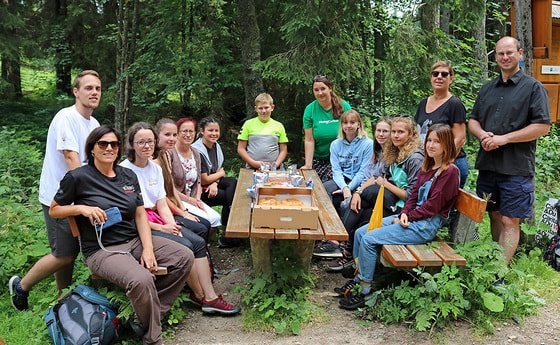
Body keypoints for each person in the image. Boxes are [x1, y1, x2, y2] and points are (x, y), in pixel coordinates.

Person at [49, 126, 194, 345]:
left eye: (114, 144)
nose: (109, 148)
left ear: (119, 148)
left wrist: (147, 249)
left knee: (184, 256)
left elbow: (139, 215)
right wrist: (81, 209)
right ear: (92, 148)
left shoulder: (128, 175)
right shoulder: (78, 177)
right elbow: (54, 209)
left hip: (134, 240)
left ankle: (146, 316)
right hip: (101, 250)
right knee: (142, 279)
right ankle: (153, 338)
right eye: (103, 144)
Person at [120, 122, 240, 315]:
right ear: (131, 144)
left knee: (198, 241)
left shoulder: (154, 168)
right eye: (141, 142)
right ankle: (202, 295)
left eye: (150, 141)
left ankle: (208, 297)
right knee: (187, 244)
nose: (146, 146)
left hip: (158, 217)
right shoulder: (124, 171)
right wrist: (163, 228)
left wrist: (170, 224)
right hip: (139, 225)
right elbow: (131, 215)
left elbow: (161, 203)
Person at [336, 123, 460, 310]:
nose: (431, 145)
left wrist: (408, 217)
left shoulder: (449, 172)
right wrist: (403, 213)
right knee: (362, 233)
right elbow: (414, 196)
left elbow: (432, 206)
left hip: (425, 225)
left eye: (437, 142)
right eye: (429, 141)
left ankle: (365, 291)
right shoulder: (428, 166)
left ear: (447, 145)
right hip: (412, 218)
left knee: (369, 240)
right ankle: (358, 277)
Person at [9, 70, 102, 311]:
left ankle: (63, 298)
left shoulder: (94, 124)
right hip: (58, 199)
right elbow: (72, 158)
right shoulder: (65, 117)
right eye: (88, 88)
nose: (94, 92)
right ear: (76, 91)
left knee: (69, 252)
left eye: (98, 89)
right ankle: (21, 287)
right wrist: (92, 195)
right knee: (63, 254)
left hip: (79, 197)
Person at [468, 36, 551, 265]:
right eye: (500, 54)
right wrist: (482, 134)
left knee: (509, 220)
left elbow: (542, 126)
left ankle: (498, 274)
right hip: (488, 165)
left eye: (509, 53)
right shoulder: (487, 89)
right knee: (494, 215)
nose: (505, 57)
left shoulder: (534, 88)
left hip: (516, 167)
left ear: (520, 53)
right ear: (495, 57)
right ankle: (495, 262)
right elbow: (473, 121)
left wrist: (504, 139)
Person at [340, 116, 424, 254]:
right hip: (392, 202)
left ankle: (345, 249)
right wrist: (357, 192)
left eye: (400, 132)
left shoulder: (415, 159)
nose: (395, 136)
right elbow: (377, 177)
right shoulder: (395, 151)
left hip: (404, 210)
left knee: (365, 217)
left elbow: (411, 196)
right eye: (394, 132)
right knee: (356, 205)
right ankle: (342, 246)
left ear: (411, 134)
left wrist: (385, 184)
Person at [326, 118, 392, 269]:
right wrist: (356, 191)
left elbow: (379, 180)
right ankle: (343, 248)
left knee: (354, 205)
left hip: (387, 198)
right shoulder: (376, 151)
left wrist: (357, 192)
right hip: (371, 191)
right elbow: (368, 176)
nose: (381, 134)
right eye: (379, 131)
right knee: (351, 204)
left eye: (386, 131)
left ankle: (341, 245)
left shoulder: (392, 153)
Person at [314, 110, 373, 258]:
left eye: (352, 122)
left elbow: (363, 172)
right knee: (321, 190)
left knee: (346, 203)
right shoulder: (336, 144)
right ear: (341, 125)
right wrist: (344, 187)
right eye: (345, 123)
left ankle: (336, 242)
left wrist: (350, 188)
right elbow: (336, 171)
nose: (349, 126)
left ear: (359, 124)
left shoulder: (368, 144)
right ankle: (324, 233)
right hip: (341, 180)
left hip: (358, 181)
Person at [155, 118, 216, 241]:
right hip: (168, 205)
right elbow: (163, 195)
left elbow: (198, 180)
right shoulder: (165, 156)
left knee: (212, 220)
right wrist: (183, 211)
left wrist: (196, 200)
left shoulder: (167, 155)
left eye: (173, 135)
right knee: (203, 226)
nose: (171, 138)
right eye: (167, 135)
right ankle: (198, 251)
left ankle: (202, 250)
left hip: (182, 201)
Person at [415, 61, 468, 187]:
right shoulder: (423, 103)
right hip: (427, 163)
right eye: (435, 74)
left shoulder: (454, 104)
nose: (439, 77)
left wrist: (444, 163)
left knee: (443, 205)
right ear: (431, 77)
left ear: (451, 79)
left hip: (450, 164)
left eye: (444, 74)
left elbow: (460, 138)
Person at [191, 117, 239, 248]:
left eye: (216, 130)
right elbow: (205, 178)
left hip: (210, 184)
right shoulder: (197, 150)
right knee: (229, 197)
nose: (214, 133)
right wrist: (218, 177)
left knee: (232, 182)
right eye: (210, 130)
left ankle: (228, 232)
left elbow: (218, 170)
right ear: (202, 131)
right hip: (198, 191)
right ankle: (229, 232)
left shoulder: (215, 146)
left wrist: (215, 182)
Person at [302, 75, 352, 181]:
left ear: (330, 88)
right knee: (312, 184)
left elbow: (352, 135)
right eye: (316, 90)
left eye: (323, 89)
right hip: (319, 159)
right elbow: (309, 139)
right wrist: (308, 165)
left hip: (340, 159)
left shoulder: (344, 106)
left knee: (328, 185)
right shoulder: (310, 109)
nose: (320, 93)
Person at [237, 92, 288, 169]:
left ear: (272, 107)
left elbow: (283, 150)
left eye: (266, 107)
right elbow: (241, 148)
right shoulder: (248, 124)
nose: (264, 111)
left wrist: (276, 164)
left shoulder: (279, 126)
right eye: (260, 108)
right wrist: (253, 163)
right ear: (256, 109)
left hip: (273, 169)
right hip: (251, 168)